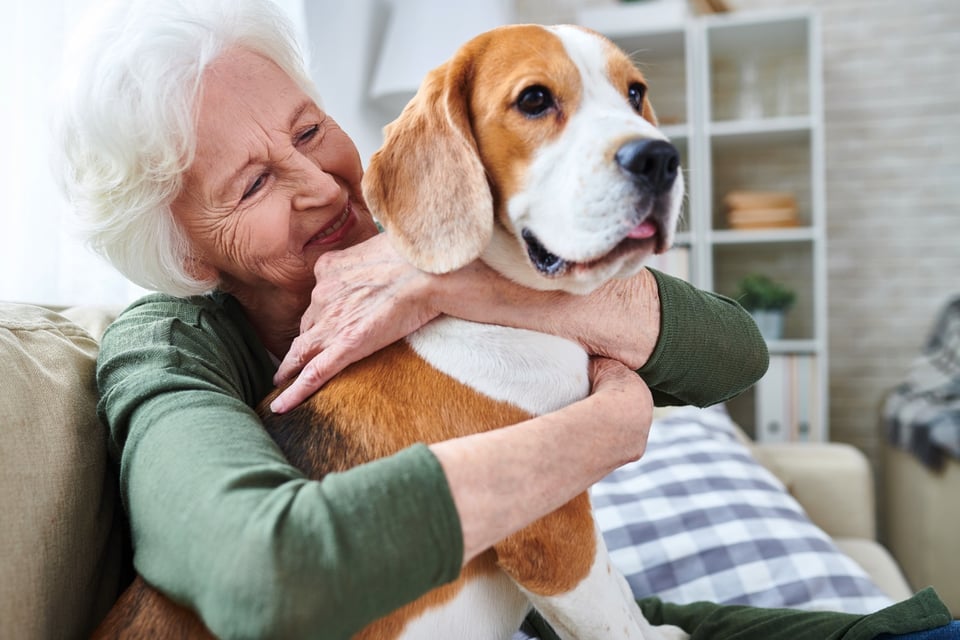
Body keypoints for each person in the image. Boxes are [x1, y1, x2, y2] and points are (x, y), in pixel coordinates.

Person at [54, 1, 955, 639]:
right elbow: (265, 575)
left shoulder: (460, 262)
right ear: (186, 253)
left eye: (307, 129)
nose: (323, 183)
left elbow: (734, 352)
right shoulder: (166, 347)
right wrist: (605, 430)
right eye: (252, 183)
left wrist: (451, 285)